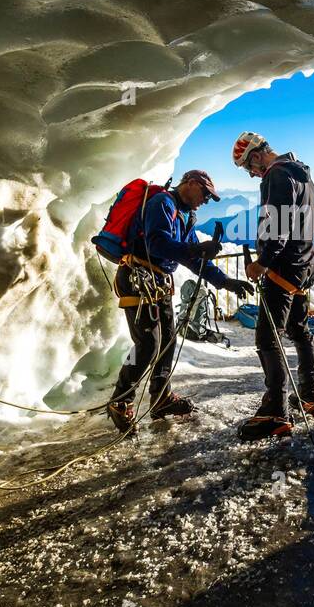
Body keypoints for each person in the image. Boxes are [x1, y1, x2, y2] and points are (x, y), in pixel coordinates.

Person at [106, 169, 253, 432]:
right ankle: (120, 401)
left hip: (156, 283)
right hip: (137, 279)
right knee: (148, 343)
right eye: (205, 194)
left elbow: (193, 258)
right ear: (191, 183)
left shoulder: (185, 215)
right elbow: (157, 244)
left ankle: (161, 398)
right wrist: (195, 249)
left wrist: (225, 282)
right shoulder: (162, 203)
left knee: (168, 340)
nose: (205, 200)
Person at [232, 132, 314, 440]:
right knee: (299, 331)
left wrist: (262, 262)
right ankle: (309, 396)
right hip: (304, 267)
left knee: (268, 338)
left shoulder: (276, 175)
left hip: (282, 269)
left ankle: (275, 411)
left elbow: (276, 226)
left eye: (248, 168)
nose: (252, 174)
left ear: (256, 157)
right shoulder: (303, 175)